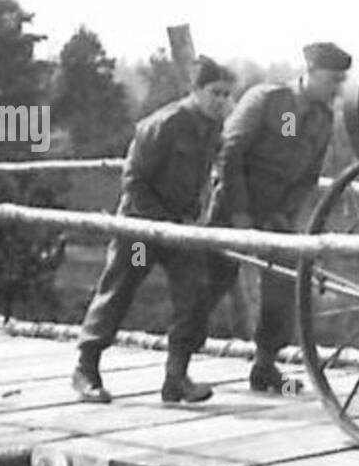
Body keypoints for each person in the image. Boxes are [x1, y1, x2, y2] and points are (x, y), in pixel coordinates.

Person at [71, 57, 237, 404]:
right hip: (142, 232)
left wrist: (194, 216)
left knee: (195, 294)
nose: (221, 101)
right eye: (214, 93)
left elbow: (210, 173)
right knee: (120, 289)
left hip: (179, 232)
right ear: (195, 90)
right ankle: (86, 368)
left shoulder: (212, 130)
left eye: (226, 94)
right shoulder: (162, 125)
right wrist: (158, 223)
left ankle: (176, 377)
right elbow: (134, 181)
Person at [191, 41, 351, 393]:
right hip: (233, 209)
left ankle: (265, 366)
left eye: (341, 80)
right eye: (331, 79)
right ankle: (178, 364)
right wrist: (240, 213)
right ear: (309, 73)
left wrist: (284, 215)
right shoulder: (269, 101)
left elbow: (307, 176)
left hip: (276, 217)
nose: (337, 88)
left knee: (281, 288)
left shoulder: (322, 119)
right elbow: (229, 153)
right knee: (211, 284)